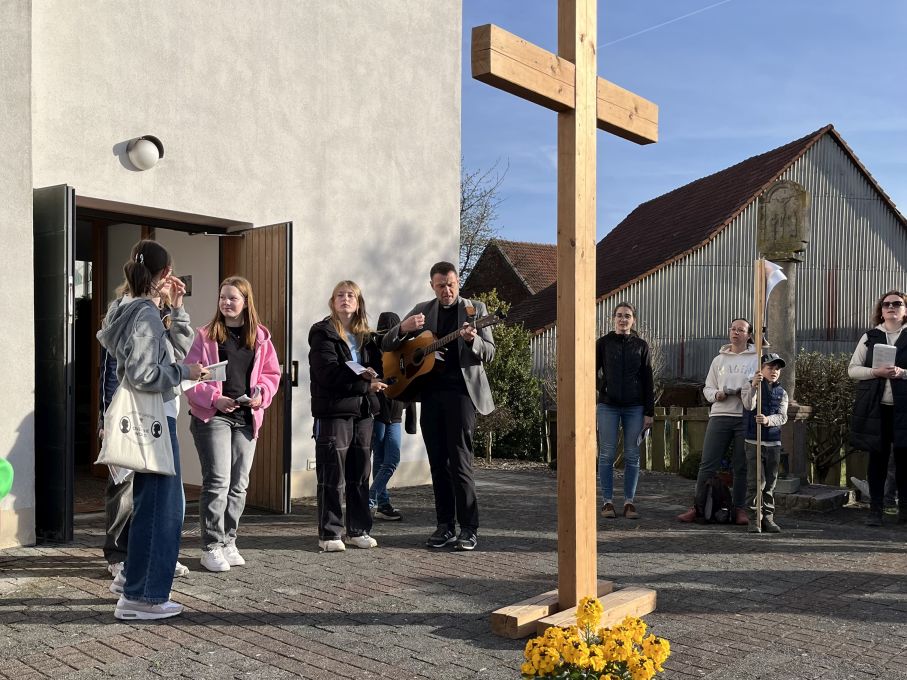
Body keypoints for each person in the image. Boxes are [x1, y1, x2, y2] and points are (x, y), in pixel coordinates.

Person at [97, 240, 206, 620]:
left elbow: (174, 350)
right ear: (165, 273)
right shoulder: (144, 314)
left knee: (151, 505)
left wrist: (177, 310)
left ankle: (134, 583)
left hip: (150, 420)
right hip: (155, 420)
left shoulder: (126, 308)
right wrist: (186, 373)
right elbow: (145, 374)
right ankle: (143, 598)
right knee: (163, 510)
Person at [381, 261, 495, 551]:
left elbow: (490, 353)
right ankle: (445, 526)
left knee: (460, 462)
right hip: (430, 395)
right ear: (432, 286)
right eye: (441, 285)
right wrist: (402, 328)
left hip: (461, 395)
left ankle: (468, 528)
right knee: (437, 464)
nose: (447, 290)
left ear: (458, 283)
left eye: (451, 284)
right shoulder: (423, 310)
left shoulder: (475, 310)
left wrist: (472, 341)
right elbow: (387, 344)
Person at [185, 276, 282, 571]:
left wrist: (261, 394)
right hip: (213, 416)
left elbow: (271, 375)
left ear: (246, 302)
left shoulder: (261, 337)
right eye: (222, 297)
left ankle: (229, 541)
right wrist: (215, 399)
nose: (226, 303)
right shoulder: (206, 335)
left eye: (232, 298)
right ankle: (211, 546)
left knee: (239, 485)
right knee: (218, 482)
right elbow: (190, 377)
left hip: (246, 417)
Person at [99, 283, 189, 581]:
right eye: (165, 278)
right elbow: (113, 374)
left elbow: (179, 352)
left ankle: (152, 557)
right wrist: (107, 419)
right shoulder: (128, 314)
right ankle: (119, 557)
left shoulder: (161, 314)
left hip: (161, 414)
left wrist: (178, 309)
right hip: (131, 414)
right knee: (124, 488)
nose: (170, 284)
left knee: (157, 494)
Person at [308, 281, 386, 552]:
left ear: (358, 302)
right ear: (332, 302)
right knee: (333, 475)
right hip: (334, 411)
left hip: (363, 412)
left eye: (351, 295)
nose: (345, 299)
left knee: (360, 474)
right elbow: (327, 373)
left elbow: (378, 367)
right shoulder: (323, 333)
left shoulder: (367, 337)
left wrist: (374, 378)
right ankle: (330, 534)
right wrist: (365, 383)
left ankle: (358, 530)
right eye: (340, 295)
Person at [677, 318, 757, 524]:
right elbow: (708, 388)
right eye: (733, 329)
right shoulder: (718, 360)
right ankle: (698, 508)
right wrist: (716, 395)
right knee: (707, 463)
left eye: (741, 330)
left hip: (744, 417)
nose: (736, 332)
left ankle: (739, 509)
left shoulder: (757, 359)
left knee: (741, 466)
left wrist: (747, 392)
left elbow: (762, 385)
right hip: (720, 415)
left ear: (749, 335)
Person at [849, 289, 907, 527]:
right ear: (881, 311)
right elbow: (853, 369)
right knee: (877, 460)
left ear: (905, 310)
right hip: (877, 408)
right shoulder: (870, 336)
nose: (891, 307)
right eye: (886, 304)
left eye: (897, 304)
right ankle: (876, 510)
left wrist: (902, 373)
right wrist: (876, 372)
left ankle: (904, 511)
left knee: (904, 460)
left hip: (904, 409)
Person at [595, 302, 655, 520]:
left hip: (635, 407)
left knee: (632, 455)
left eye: (627, 316)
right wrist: (603, 387)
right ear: (613, 319)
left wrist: (649, 412)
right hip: (608, 406)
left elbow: (648, 379)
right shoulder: (603, 343)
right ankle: (607, 502)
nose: (623, 319)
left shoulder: (641, 345)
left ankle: (629, 502)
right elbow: (590, 371)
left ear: (633, 320)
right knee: (606, 454)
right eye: (619, 315)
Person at [369, 311, 416, 521]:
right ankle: (382, 504)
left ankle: (370, 499)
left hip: (395, 415)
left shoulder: (404, 351)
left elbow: (410, 383)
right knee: (380, 461)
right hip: (378, 412)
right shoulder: (373, 350)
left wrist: (411, 421)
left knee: (391, 460)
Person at [741, 353, 789, 533]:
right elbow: (748, 405)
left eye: (777, 369)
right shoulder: (749, 386)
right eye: (770, 367)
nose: (774, 371)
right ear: (761, 369)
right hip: (754, 441)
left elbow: (783, 416)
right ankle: (754, 519)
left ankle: (768, 517)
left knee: (770, 484)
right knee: (755, 482)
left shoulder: (782, 392)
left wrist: (768, 420)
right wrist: (754, 386)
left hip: (773, 442)